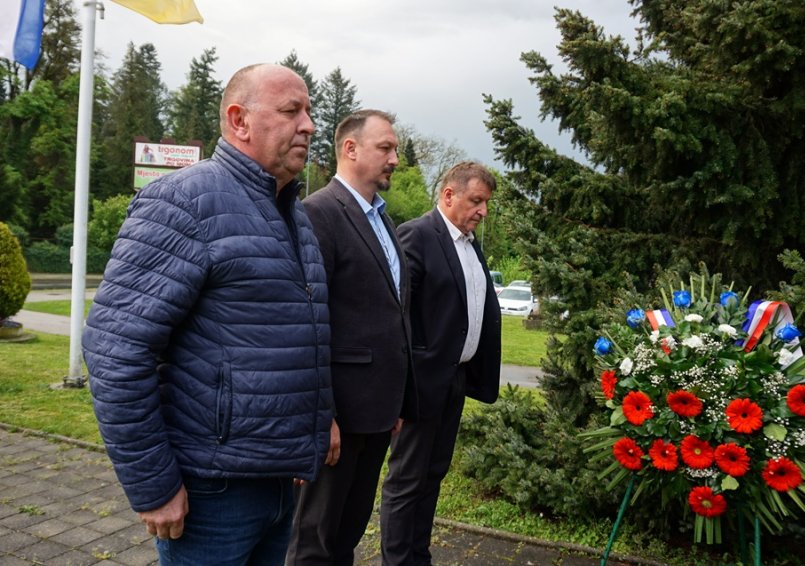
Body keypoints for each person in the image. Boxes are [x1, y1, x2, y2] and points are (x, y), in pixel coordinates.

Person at [82, 64, 334, 566]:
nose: (309, 125)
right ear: (239, 120)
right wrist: (153, 485)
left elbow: (299, 334)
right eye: (291, 111)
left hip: (278, 481)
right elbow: (115, 351)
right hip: (212, 494)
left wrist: (316, 424)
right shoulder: (182, 202)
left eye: (309, 111)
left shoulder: (292, 211)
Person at [287, 109, 418, 565]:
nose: (395, 159)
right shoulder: (318, 213)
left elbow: (391, 315)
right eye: (385, 147)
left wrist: (397, 401)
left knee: (347, 534)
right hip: (338, 415)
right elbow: (308, 321)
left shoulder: (383, 219)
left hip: (377, 412)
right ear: (350, 149)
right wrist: (321, 415)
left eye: (395, 149)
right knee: (314, 541)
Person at [380, 161, 501, 566]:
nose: (483, 211)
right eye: (476, 201)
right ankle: (397, 561)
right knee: (406, 480)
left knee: (433, 475)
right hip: (420, 382)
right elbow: (397, 314)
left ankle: (418, 556)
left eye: (486, 203)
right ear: (449, 195)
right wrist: (404, 382)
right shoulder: (417, 234)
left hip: (454, 380)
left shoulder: (469, 243)